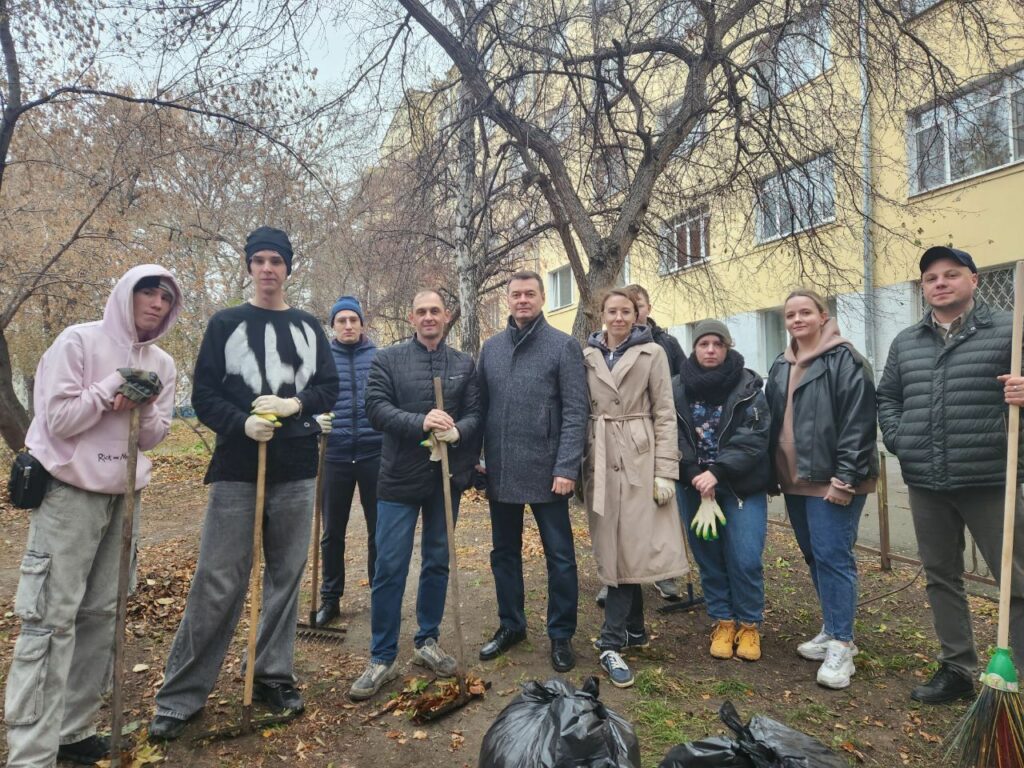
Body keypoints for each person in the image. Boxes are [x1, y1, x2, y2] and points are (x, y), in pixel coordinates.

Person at [150, 227, 338, 740]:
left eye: (277, 260)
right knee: (217, 579)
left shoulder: (306, 327)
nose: (268, 269)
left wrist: (295, 405)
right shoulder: (225, 323)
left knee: (286, 577)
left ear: (288, 268)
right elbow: (206, 394)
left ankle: (274, 675)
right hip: (238, 467)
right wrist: (241, 423)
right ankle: (182, 695)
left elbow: (329, 387)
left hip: (297, 468)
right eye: (259, 260)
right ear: (249, 267)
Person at [5, 265, 180, 767]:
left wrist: (142, 407)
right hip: (68, 493)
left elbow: (151, 436)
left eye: (166, 297)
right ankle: (31, 752)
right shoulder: (78, 342)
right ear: (126, 293)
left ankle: (73, 730)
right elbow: (57, 419)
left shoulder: (163, 363)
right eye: (148, 292)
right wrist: (109, 391)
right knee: (50, 618)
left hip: (124, 495)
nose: (157, 303)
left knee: (103, 614)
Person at [878, 245, 1024, 704]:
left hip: (990, 477)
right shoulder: (907, 341)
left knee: (1015, 579)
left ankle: (1015, 671)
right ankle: (957, 668)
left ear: (974, 280)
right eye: (930, 278)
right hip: (927, 481)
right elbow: (888, 398)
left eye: (951, 274)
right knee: (942, 576)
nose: (939, 283)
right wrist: (902, 440)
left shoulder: (1010, 331)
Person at [348, 289, 481, 701]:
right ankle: (382, 656)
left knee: (437, 561)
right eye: (421, 311)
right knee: (389, 566)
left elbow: (478, 413)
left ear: (446, 317)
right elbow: (375, 409)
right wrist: (420, 420)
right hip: (398, 480)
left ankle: (427, 641)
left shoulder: (463, 364)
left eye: (435, 311)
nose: (428, 317)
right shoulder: (387, 360)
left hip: (444, 479)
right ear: (411, 317)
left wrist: (458, 431)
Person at [476, 271, 588, 673]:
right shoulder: (490, 349)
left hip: (549, 472)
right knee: (503, 554)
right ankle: (512, 625)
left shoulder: (563, 347)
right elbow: (480, 409)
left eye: (530, 294)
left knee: (560, 557)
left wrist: (566, 467)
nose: (522, 300)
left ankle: (561, 634)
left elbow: (577, 412)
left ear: (542, 298)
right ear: (507, 300)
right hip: (502, 470)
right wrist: (479, 461)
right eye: (516, 294)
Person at [766, 289, 878, 690]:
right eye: (790, 314)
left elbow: (859, 422)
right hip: (796, 478)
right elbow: (772, 419)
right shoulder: (782, 364)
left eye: (805, 313)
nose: (797, 320)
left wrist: (845, 479)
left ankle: (844, 645)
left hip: (834, 480)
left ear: (822, 316)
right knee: (815, 557)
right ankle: (833, 628)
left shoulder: (844, 360)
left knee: (833, 557)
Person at [582, 289, 684, 688]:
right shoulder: (588, 354)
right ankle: (635, 630)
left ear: (637, 314)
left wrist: (665, 470)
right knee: (616, 543)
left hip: (639, 457)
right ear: (602, 314)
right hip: (601, 453)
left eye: (627, 310)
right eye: (613, 311)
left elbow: (664, 411)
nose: (620, 317)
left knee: (628, 546)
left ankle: (611, 643)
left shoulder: (652, 352)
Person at [674, 320, 771, 662]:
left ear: (727, 347)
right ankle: (724, 621)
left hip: (740, 486)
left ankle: (748, 625)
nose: (711, 350)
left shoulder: (747, 386)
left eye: (717, 343)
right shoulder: (678, 387)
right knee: (709, 557)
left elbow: (754, 438)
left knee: (744, 558)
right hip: (694, 487)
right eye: (704, 344)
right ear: (695, 349)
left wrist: (717, 472)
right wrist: (692, 472)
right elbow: (673, 434)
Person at [312, 296, 382, 627]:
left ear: (362, 324)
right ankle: (330, 598)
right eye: (342, 320)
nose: (348, 325)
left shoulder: (379, 357)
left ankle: (380, 595)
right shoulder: (320, 359)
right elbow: (307, 396)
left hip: (374, 452)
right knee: (332, 532)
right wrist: (315, 419)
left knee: (378, 529)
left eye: (354, 320)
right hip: (334, 454)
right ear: (333, 325)